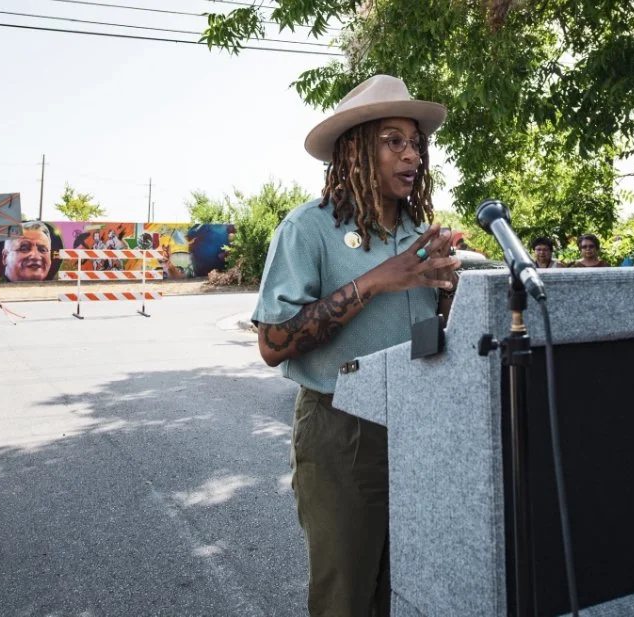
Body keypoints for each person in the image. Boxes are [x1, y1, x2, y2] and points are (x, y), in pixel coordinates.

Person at [252, 75, 459, 616]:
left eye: (415, 143)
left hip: (418, 423)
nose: (411, 155)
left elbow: (433, 332)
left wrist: (450, 294)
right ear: (356, 150)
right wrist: (375, 282)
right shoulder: (308, 228)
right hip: (342, 428)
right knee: (346, 594)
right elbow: (273, 343)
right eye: (393, 141)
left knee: (406, 589)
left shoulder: (417, 232)